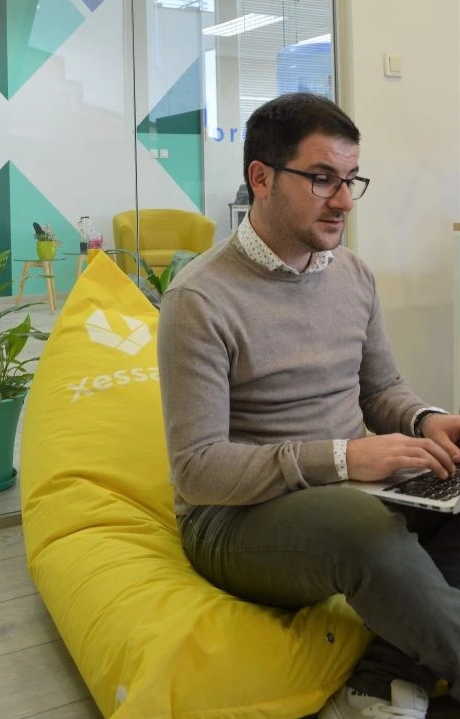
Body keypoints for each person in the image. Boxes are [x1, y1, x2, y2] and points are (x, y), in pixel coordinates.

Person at [157, 93, 460, 719]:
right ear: (261, 178)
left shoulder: (353, 274)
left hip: (353, 488)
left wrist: (427, 422)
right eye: (322, 179)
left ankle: (383, 677)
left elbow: (380, 392)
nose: (345, 201)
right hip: (237, 517)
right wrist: (344, 458)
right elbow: (198, 469)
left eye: (351, 180)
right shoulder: (199, 299)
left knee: (450, 482)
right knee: (368, 535)